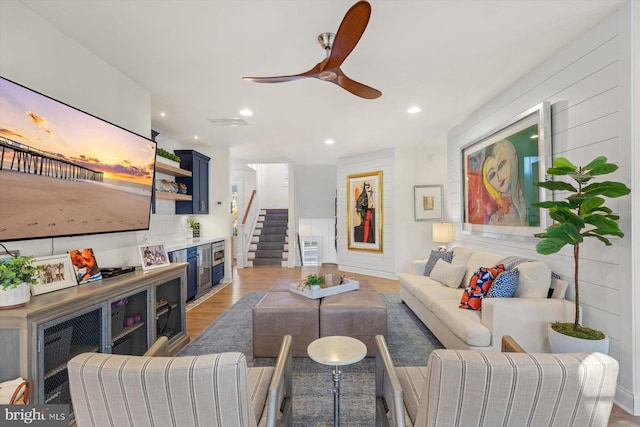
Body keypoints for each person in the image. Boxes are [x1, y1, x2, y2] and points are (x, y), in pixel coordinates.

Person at [482, 139, 528, 226]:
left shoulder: (526, 201)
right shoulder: (495, 219)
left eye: (501, 164)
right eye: (492, 175)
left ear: (513, 159)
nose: (499, 177)